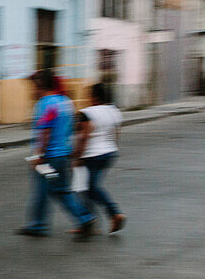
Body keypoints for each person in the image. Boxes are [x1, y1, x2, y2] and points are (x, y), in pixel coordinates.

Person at [18, 69, 96, 240]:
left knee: (44, 190)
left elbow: (45, 131)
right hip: (63, 155)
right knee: (58, 190)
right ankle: (82, 218)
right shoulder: (66, 102)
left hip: (48, 157)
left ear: (40, 86)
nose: (32, 90)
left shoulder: (45, 104)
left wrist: (38, 156)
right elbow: (71, 129)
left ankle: (39, 225)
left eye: (33, 86)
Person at [74, 83, 126, 233]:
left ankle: (112, 214)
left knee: (88, 188)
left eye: (89, 94)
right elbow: (117, 133)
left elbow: (85, 136)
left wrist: (79, 155)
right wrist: (112, 147)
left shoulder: (87, 113)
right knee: (90, 188)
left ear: (95, 96)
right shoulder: (114, 111)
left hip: (92, 155)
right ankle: (91, 221)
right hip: (109, 153)